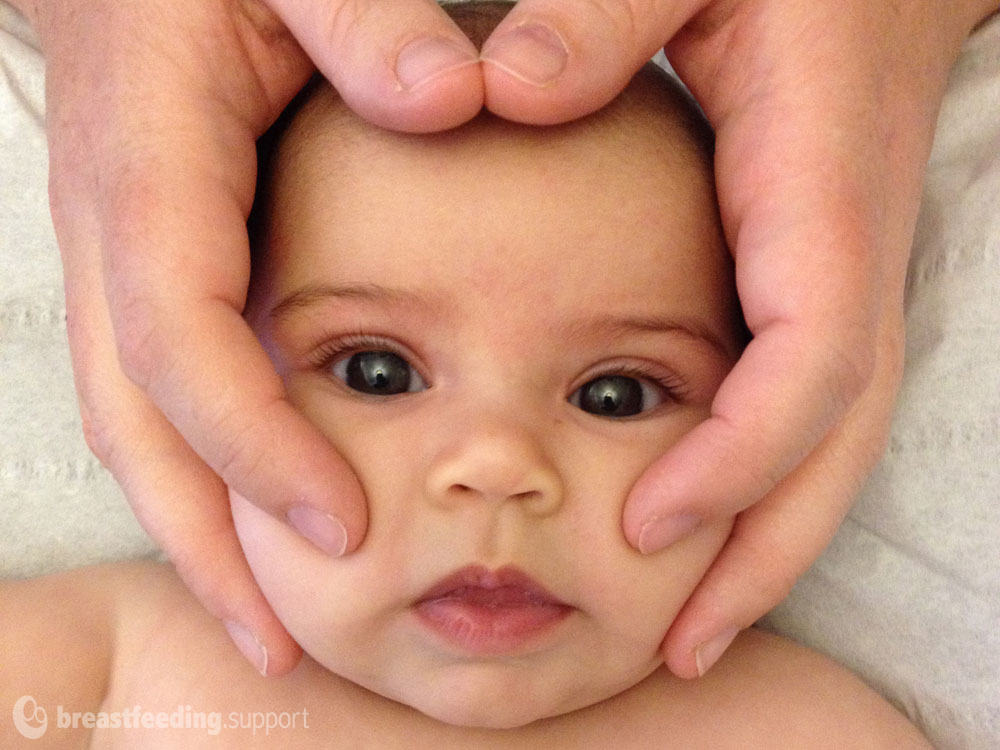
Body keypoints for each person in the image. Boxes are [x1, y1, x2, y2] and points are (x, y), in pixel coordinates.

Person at [4, 0, 997, 682]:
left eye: (615, 394)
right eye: (377, 372)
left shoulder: (800, 726)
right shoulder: (129, 662)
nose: (497, 467)